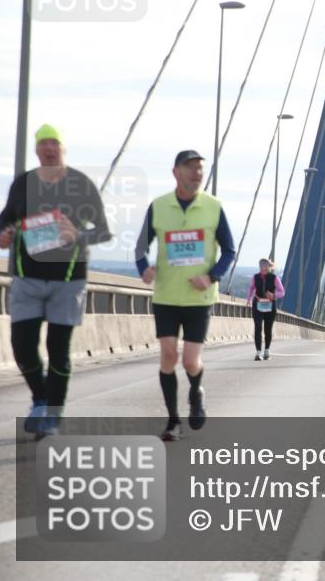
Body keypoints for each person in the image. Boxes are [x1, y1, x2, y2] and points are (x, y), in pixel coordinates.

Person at [0, 124, 112, 437]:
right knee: (22, 347)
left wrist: (79, 235)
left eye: (55, 144)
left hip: (68, 279)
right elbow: (5, 218)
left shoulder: (80, 184)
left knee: (58, 349)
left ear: (63, 149)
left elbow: (102, 230)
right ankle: (40, 398)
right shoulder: (23, 184)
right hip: (27, 278)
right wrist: (4, 234)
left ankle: (52, 416)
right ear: (37, 150)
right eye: (44, 144)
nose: (49, 149)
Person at [136, 150, 236, 441]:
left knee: (190, 362)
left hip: (199, 298)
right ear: (176, 172)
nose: (197, 174)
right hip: (166, 296)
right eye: (191, 168)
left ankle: (196, 390)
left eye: (200, 169)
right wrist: (144, 268)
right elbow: (141, 246)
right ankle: (172, 422)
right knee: (168, 357)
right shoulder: (159, 206)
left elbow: (229, 250)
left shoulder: (213, 207)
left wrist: (212, 275)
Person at [246, 258, 284, 360]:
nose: (263, 267)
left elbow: (282, 292)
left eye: (265, 265)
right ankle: (258, 353)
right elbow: (251, 288)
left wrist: (274, 295)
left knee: (268, 329)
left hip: (270, 305)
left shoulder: (274, 278)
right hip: (257, 304)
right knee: (258, 327)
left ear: (269, 266)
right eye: (261, 265)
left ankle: (267, 351)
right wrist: (249, 299)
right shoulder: (255, 277)